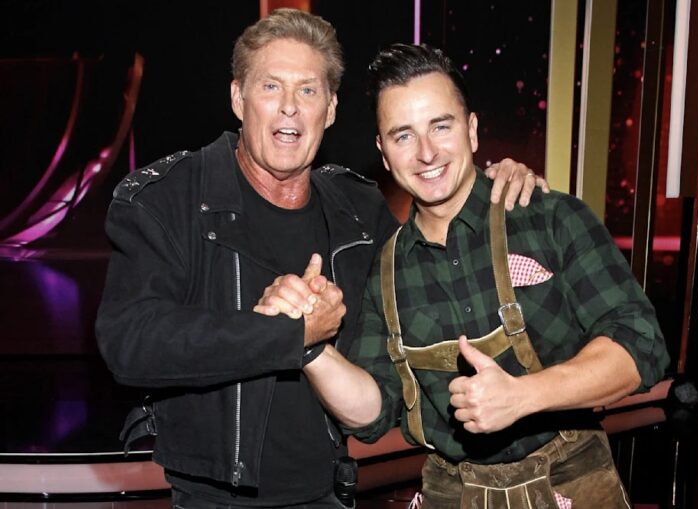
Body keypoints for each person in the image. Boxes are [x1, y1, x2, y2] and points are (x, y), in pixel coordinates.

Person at [95, 9, 546, 509]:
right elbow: (130, 343)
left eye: (308, 90)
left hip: (331, 491)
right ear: (238, 98)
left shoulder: (359, 208)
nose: (289, 107)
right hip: (214, 498)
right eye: (271, 87)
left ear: (330, 109)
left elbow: (434, 276)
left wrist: (488, 188)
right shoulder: (169, 198)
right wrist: (288, 334)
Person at [259, 43, 669, 508]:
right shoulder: (387, 271)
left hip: (572, 485)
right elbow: (371, 415)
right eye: (403, 136)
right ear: (384, 153)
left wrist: (524, 396)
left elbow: (641, 346)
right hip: (453, 493)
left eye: (441, 126)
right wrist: (309, 344)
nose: (426, 152)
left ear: (472, 130)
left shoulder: (551, 219)